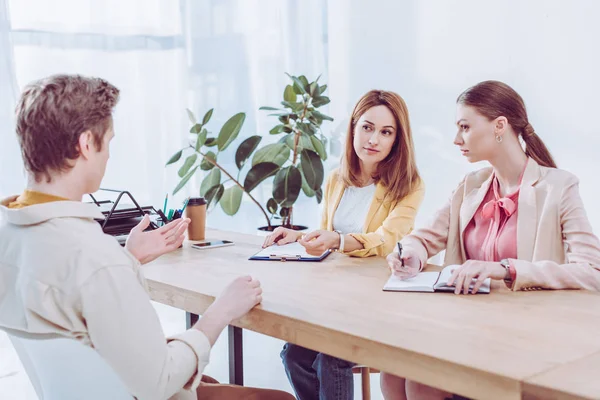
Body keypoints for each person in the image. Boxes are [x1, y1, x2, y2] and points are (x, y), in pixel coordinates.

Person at [0, 74, 294, 400]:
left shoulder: (9, 236)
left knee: (204, 377)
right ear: (85, 144)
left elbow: (67, 307)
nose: (109, 156)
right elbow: (159, 384)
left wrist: (129, 257)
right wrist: (222, 310)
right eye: (108, 142)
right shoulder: (96, 258)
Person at [381, 80, 600, 400]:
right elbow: (423, 238)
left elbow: (592, 270)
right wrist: (410, 254)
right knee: (392, 370)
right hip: (465, 326)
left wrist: (506, 268)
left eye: (465, 127)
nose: (457, 139)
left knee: (420, 381)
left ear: (500, 126)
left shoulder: (559, 187)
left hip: (525, 335)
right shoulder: (471, 184)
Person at [263, 90, 425, 399]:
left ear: (397, 140)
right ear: (353, 128)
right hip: (334, 299)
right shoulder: (337, 179)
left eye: (385, 132)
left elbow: (386, 241)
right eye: (367, 127)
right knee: (293, 355)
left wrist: (337, 240)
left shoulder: (409, 185)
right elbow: (329, 237)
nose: (373, 139)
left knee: (331, 358)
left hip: (378, 302)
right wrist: (298, 236)